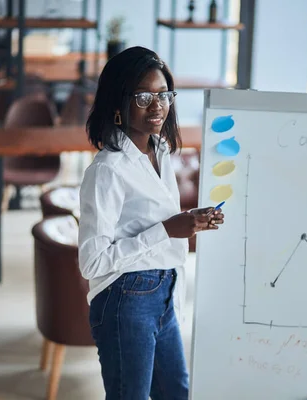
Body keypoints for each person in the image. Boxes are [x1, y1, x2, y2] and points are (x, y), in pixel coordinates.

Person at [78, 46, 225, 399]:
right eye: (144, 97)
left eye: (164, 95)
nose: (157, 106)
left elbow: (158, 222)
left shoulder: (158, 151)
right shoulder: (107, 170)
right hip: (125, 296)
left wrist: (190, 221)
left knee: (176, 392)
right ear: (118, 101)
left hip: (164, 291)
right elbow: (92, 262)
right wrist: (167, 230)